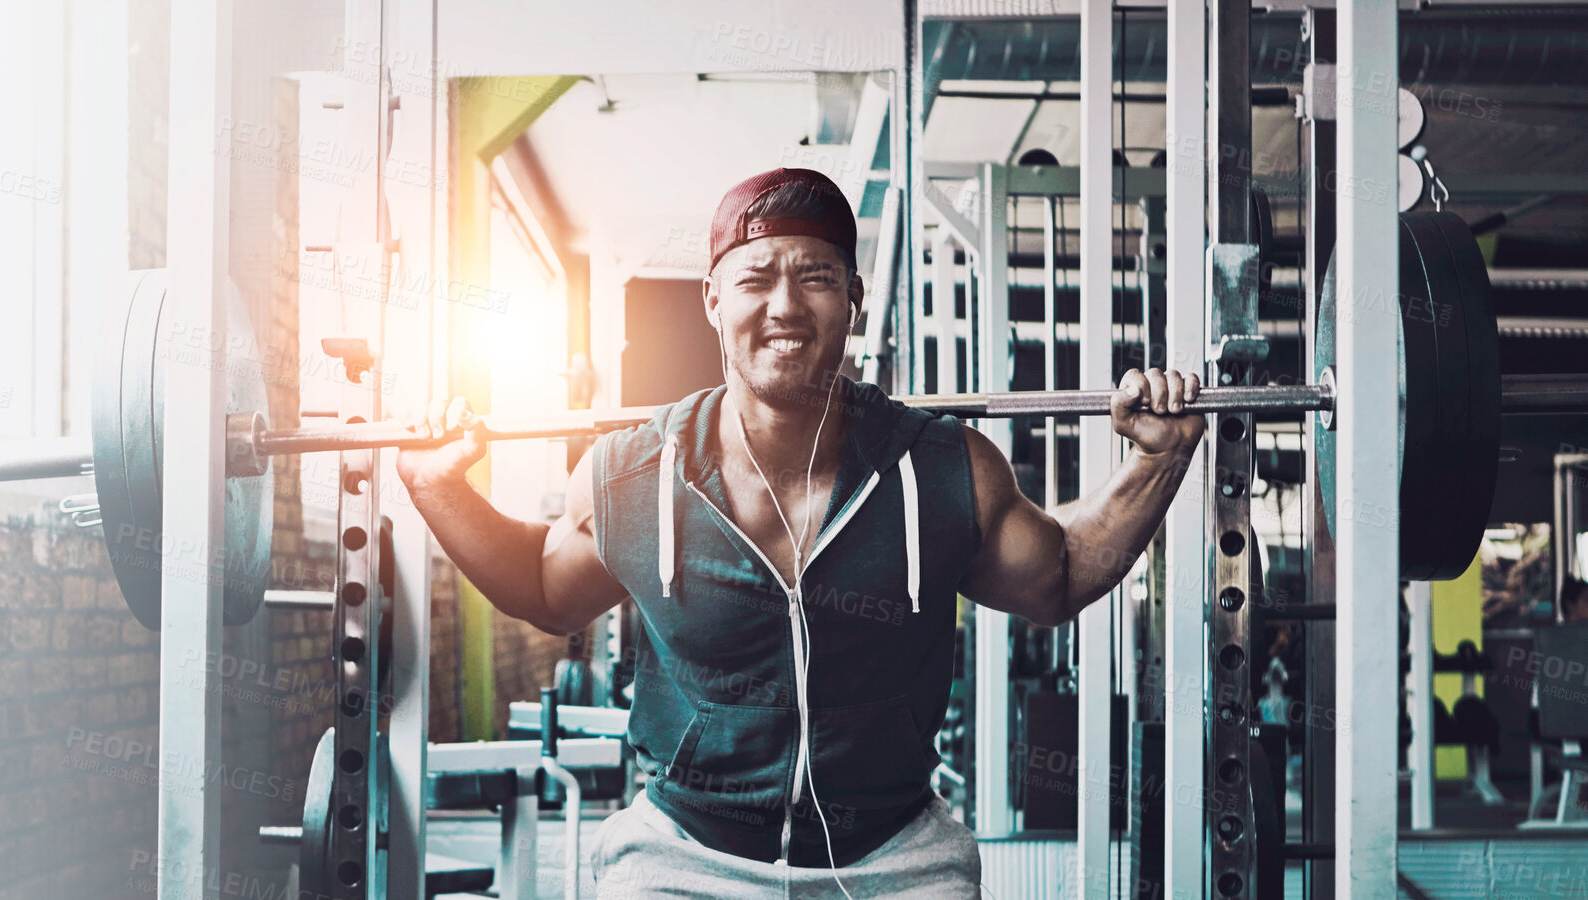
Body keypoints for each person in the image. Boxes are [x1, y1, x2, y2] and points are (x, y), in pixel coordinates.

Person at [396, 168, 1207, 898]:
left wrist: (1156, 463)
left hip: (893, 859)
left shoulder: (942, 467)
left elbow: (1056, 576)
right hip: (685, 857)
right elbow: (544, 586)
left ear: (851, 299)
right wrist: (438, 488)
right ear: (713, 300)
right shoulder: (635, 473)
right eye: (755, 278)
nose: (784, 305)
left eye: (814, 278)